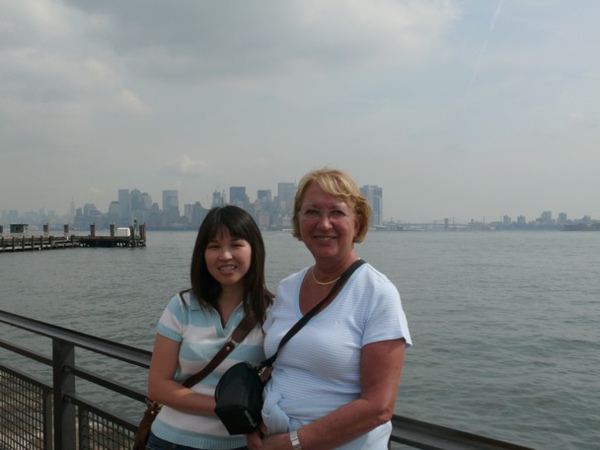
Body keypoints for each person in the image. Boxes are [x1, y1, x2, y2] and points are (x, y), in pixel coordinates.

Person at [249, 168, 412, 450]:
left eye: (336, 213)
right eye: (311, 212)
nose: (324, 224)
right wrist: (252, 424)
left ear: (357, 224)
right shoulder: (287, 288)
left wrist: (294, 443)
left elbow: (378, 407)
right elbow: (279, 367)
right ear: (298, 223)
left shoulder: (377, 293)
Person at [146, 205, 274, 450]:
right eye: (214, 247)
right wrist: (225, 408)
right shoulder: (182, 306)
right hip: (170, 442)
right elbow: (158, 385)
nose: (225, 256)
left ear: (254, 249)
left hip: (240, 445)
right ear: (202, 254)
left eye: (236, 245)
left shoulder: (274, 313)